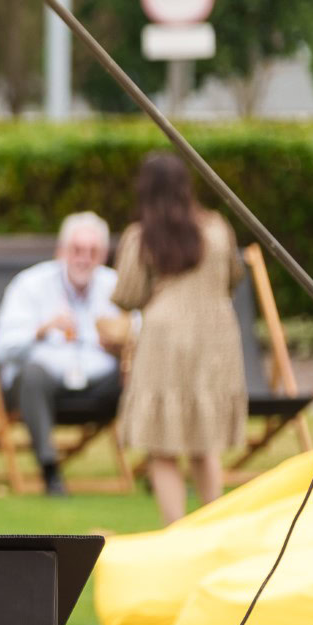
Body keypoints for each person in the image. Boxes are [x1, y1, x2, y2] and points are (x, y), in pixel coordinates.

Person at [115, 154, 246, 524]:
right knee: (205, 444)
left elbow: (128, 293)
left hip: (164, 341)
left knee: (163, 447)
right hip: (215, 339)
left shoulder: (142, 236)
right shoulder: (218, 229)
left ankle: (177, 533)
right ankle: (211, 526)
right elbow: (233, 277)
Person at [0, 212, 122, 496]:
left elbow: (140, 333)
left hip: (99, 389)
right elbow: (0, 347)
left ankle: (156, 461)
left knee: (141, 368)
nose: (83, 258)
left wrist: (121, 343)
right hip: (40, 389)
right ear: (61, 251)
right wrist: (40, 330)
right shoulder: (31, 285)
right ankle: (50, 470)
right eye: (76, 250)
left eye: (92, 251)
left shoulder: (115, 287)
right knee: (33, 374)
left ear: (104, 255)